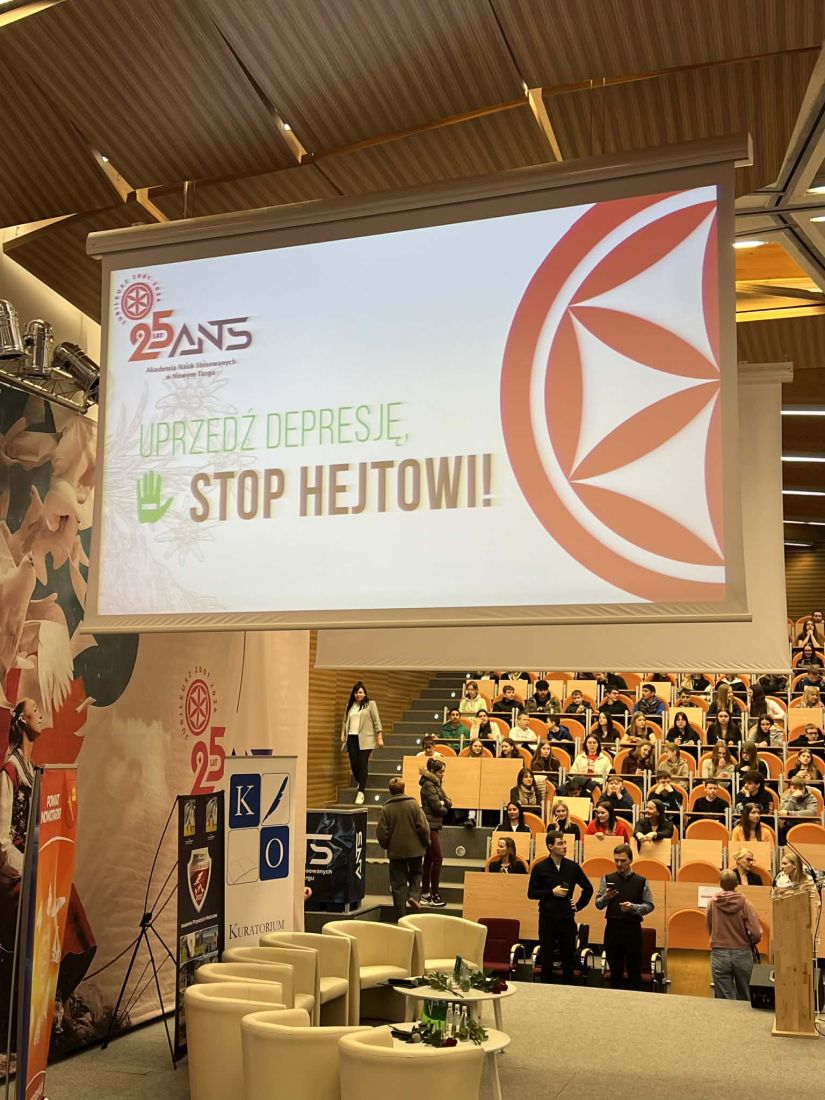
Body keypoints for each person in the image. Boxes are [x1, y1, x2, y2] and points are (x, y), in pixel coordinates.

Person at [0, 698, 45, 1053]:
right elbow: (2, 843)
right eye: (35, 710)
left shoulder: (35, 770)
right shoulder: (10, 772)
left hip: (35, 868)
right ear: (21, 720)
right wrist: (28, 869)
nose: (41, 715)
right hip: (13, 875)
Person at [527, 831, 593, 984]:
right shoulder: (540, 867)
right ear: (550, 846)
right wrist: (551, 892)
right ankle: (546, 991)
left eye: (564, 843)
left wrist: (578, 905)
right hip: (547, 920)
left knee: (568, 960)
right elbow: (531, 893)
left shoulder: (572, 867)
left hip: (567, 920)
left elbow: (588, 888)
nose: (564, 846)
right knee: (547, 959)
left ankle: (569, 991)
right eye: (560, 843)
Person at [595, 843, 655, 990]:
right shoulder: (607, 878)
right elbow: (598, 904)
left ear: (631, 860)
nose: (619, 864)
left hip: (632, 930)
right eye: (616, 860)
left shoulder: (641, 881)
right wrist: (606, 898)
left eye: (623, 860)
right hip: (612, 929)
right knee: (615, 973)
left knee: (634, 972)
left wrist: (634, 908)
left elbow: (649, 905)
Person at [375, 777, 432, 919]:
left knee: (398, 884)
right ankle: (413, 895)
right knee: (416, 872)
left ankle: (401, 916)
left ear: (390, 791)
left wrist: (387, 845)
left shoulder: (386, 809)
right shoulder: (413, 805)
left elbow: (382, 832)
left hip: (396, 852)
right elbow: (423, 827)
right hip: (415, 849)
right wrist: (426, 842)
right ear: (403, 788)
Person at [706, 870, 762, 1000]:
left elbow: (709, 926)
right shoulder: (746, 904)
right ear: (737, 883)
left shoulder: (712, 903)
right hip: (742, 953)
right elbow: (756, 932)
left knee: (724, 998)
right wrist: (750, 942)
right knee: (746, 996)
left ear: (720, 884)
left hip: (719, 953)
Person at [341, 681, 383, 805]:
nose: (358, 695)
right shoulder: (349, 705)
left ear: (364, 693)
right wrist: (343, 733)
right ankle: (361, 781)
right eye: (356, 693)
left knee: (362, 763)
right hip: (351, 738)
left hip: (366, 739)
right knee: (354, 763)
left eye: (360, 692)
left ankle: (361, 792)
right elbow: (345, 721)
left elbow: (376, 720)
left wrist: (379, 736)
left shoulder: (370, 704)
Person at [419, 759, 451, 907]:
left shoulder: (435, 784)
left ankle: (425, 894)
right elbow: (439, 808)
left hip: (433, 824)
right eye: (441, 772)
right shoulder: (428, 785)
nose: (443, 774)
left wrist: (444, 803)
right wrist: (444, 805)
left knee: (429, 860)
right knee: (437, 858)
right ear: (433, 772)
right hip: (430, 825)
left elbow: (447, 800)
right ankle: (434, 895)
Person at [778, 776, 819, 841]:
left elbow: (811, 813)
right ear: (790, 788)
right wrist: (793, 798)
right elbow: (783, 813)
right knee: (781, 832)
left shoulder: (811, 797)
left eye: (801, 788)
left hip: (807, 825)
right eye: (795, 788)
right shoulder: (786, 797)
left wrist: (789, 813)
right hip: (790, 825)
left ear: (805, 788)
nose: (798, 791)